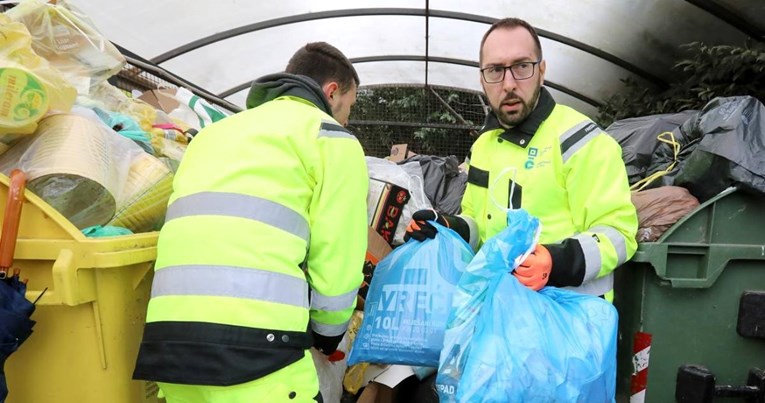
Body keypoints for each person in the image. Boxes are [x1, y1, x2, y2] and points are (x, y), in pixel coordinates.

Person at [133, 42, 368, 403]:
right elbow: (337, 261)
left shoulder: (211, 135)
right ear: (331, 91)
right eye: (348, 107)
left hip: (168, 348)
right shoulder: (330, 138)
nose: (346, 119)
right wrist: (327, 334)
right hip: (257, 355)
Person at [406, 17, 638, 301]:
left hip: (570, 324)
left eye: (521, 67)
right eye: (495, 70)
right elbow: (480, 226)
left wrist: (556, 262)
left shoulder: (582, 141)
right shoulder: (483, 147)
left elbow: (618, 234)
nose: (509, 83)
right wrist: (447, 227)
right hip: (499, 314)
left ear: (541, 70)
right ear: (482, 79)